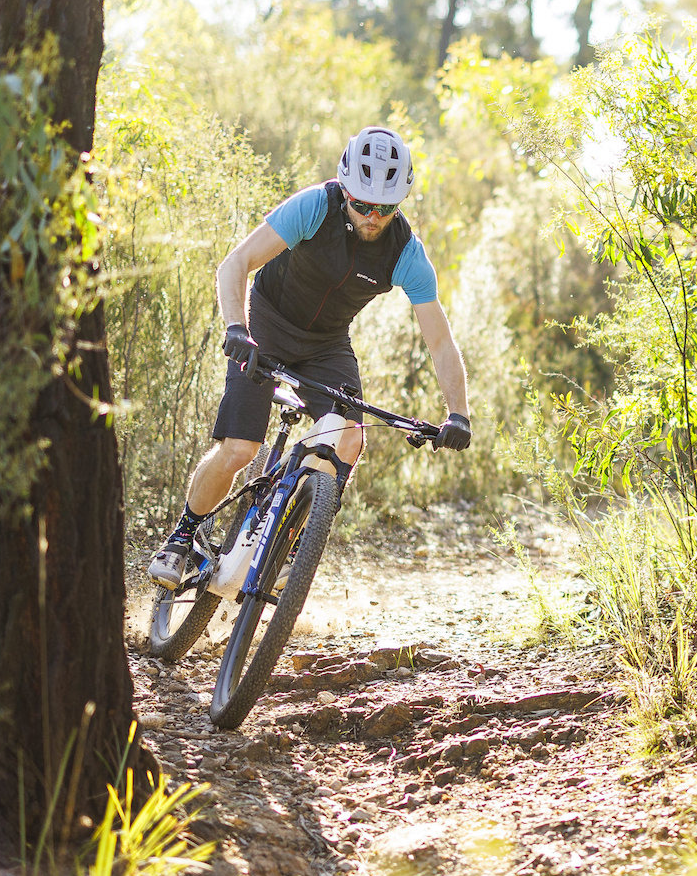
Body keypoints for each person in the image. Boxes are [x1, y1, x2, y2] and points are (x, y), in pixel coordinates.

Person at [147, 125, 472, 588]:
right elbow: (236, 264)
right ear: (345, 192)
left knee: (349, 440)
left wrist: (457, 413)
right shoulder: (313, 207)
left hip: (326, 344)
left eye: (385, 208)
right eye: (362, 204)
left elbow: (440, 341)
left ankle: (295, 539)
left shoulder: (406, 253)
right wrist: (236, 328)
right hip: (266, 323)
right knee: (240, 449)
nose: (373, 217)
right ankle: (184, 535)